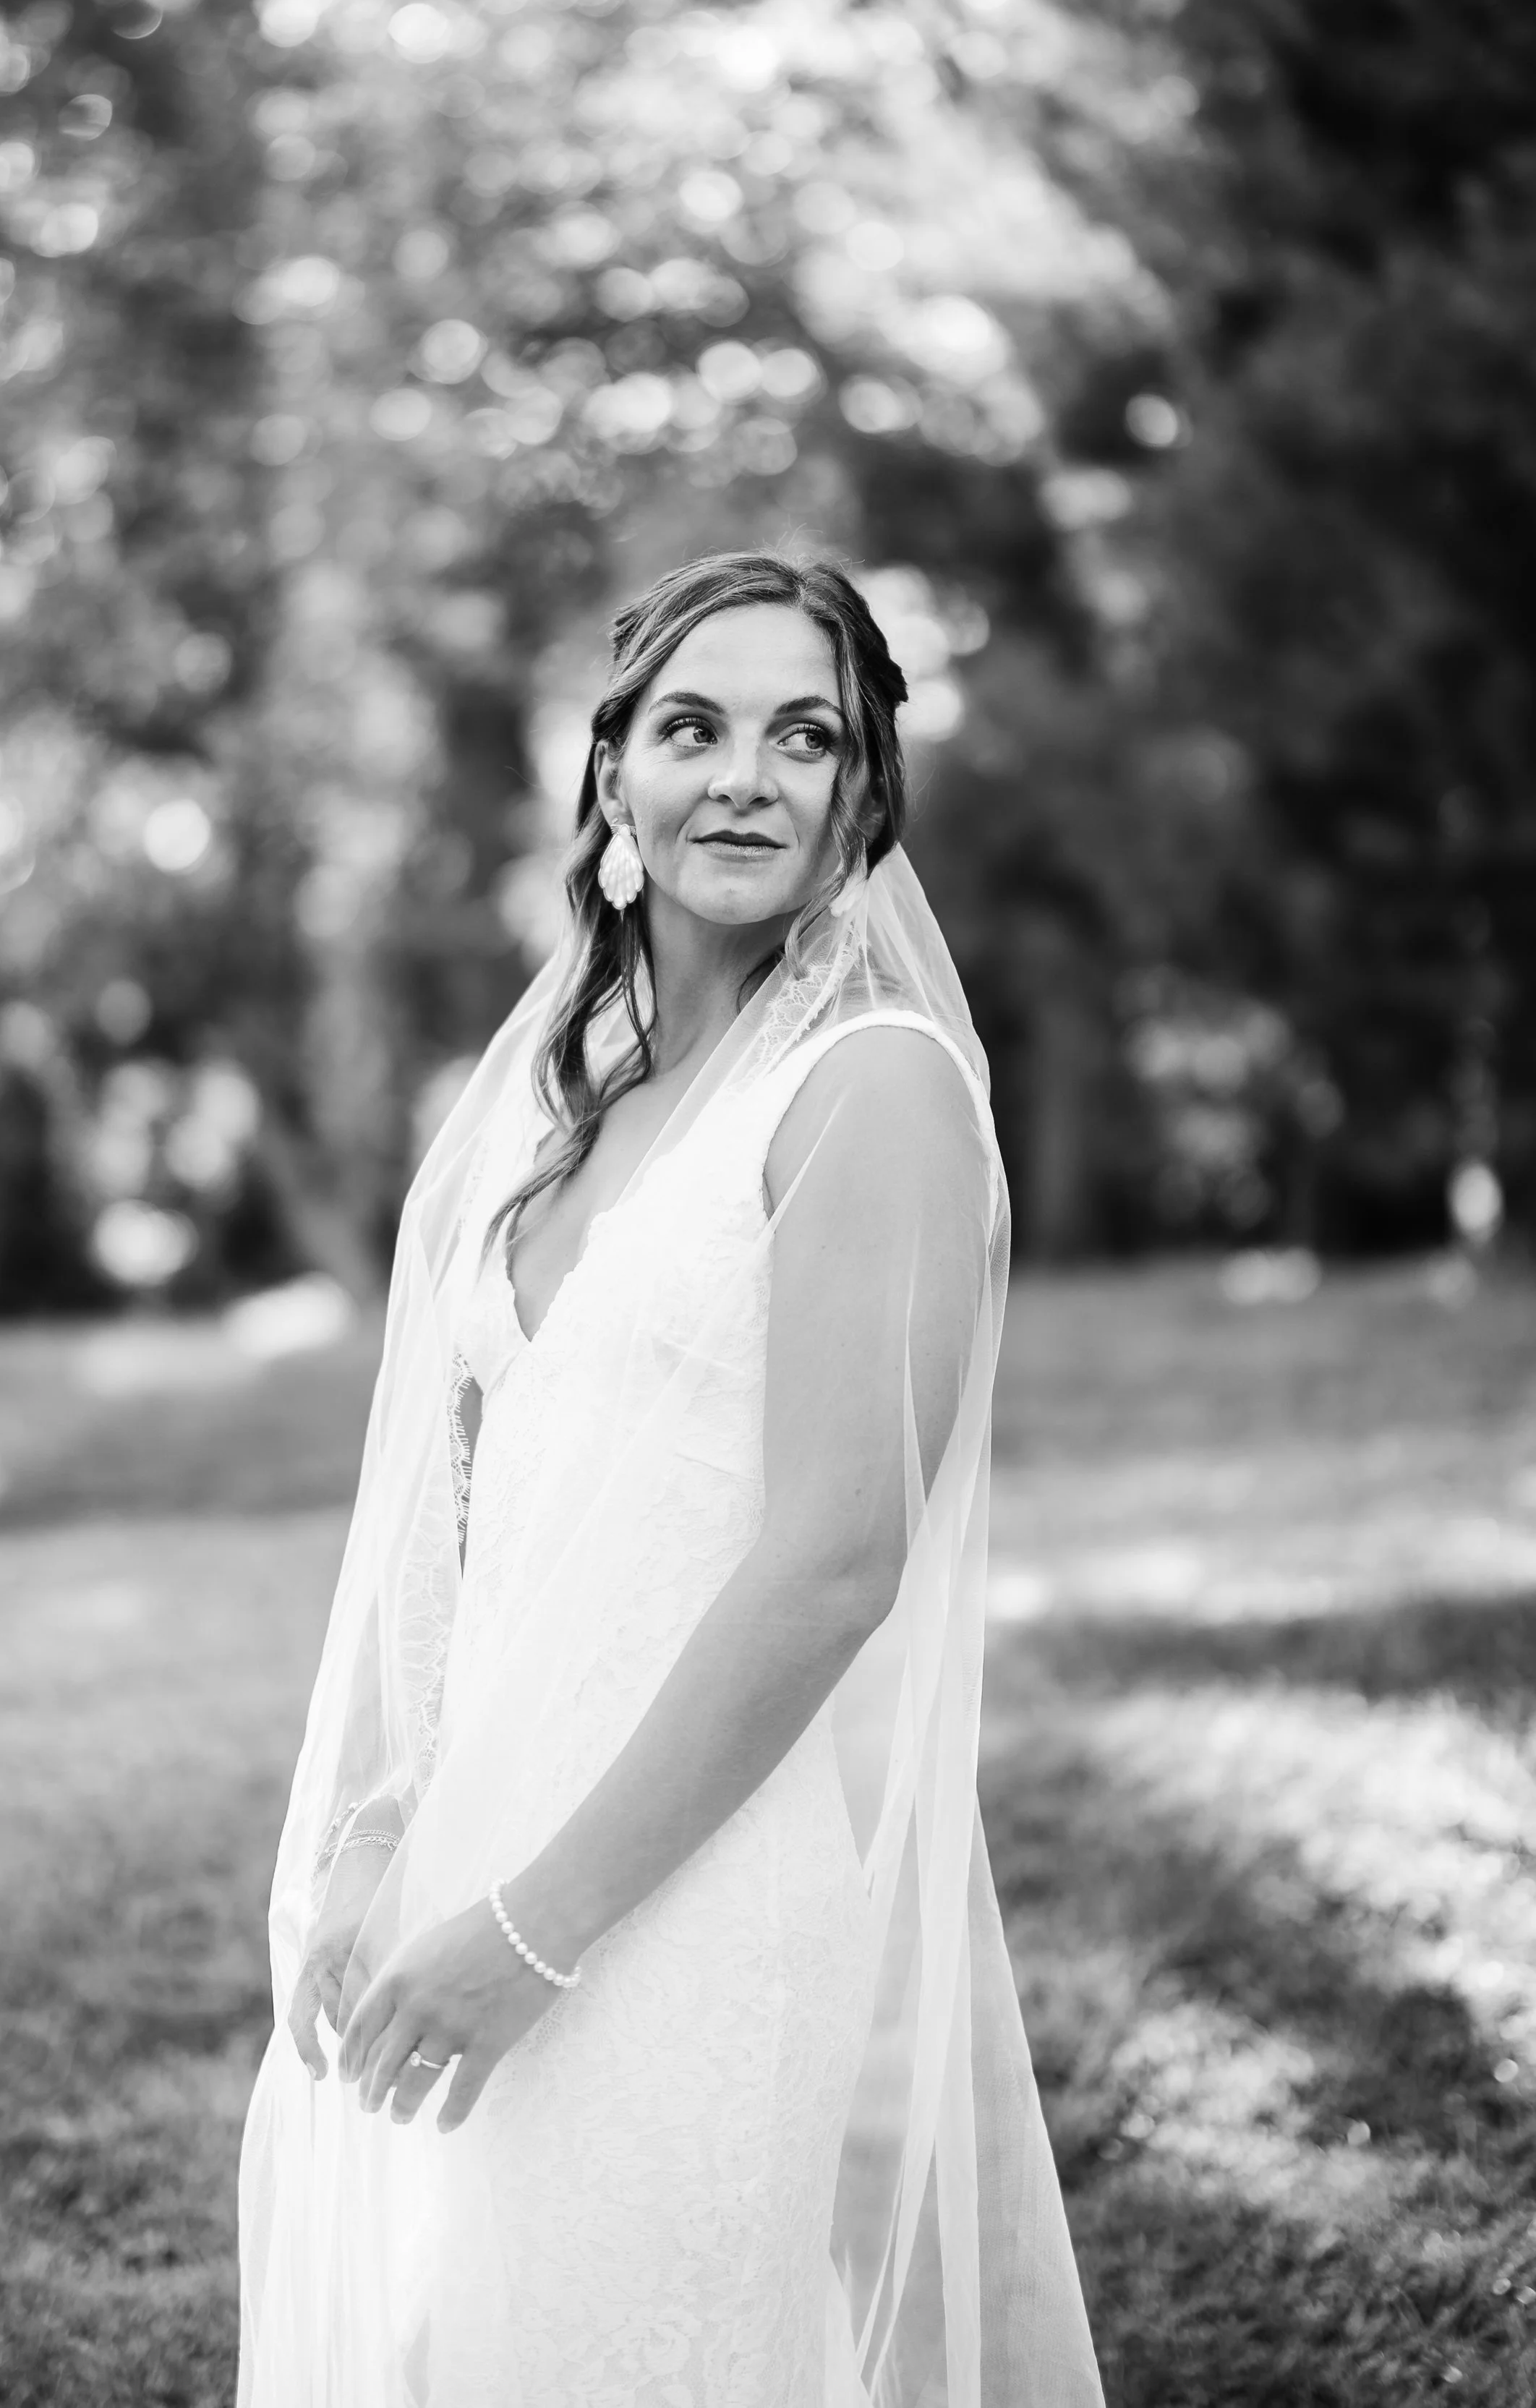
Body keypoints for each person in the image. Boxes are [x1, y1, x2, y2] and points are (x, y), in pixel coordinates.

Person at [236, 552, 1104, 2407]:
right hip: (488, 1839)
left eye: (805, 736)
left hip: (690, 1882)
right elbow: (458, 1517)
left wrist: (540, 1930)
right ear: (613, 778)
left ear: (860, 795)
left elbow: (831, 1566)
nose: (746, 777)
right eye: (692, 727)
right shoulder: (576, 1107)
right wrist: (379, 1830)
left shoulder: (873, 1091)